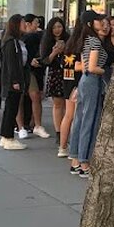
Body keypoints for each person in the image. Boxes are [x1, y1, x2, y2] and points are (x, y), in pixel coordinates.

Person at [68, 11, 109, 179]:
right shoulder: (94, 41)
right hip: (92, 81)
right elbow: (92, 67)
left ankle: (75, 159)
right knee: (90, 121)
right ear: (92, 24)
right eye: (99, 20)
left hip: (85, 81)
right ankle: (85, 162)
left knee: (80, 119)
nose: (102, 23)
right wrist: (107, 71)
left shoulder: (85, 40)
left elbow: (84, 65)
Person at [0, 14, 30, 151]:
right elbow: (11, 63)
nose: (25, 25)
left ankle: (6, 135)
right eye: (23, 22)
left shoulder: (17, 41)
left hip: (17, 78)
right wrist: (15, 80)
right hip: (13, 80)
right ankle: (8, 137)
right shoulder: (11, 43)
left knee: (11, 108)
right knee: (11, 108)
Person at [40, 17, 69, 152]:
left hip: (68, 73)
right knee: (58, 104)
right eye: (55, 27)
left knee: (68, 105)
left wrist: (65, 50)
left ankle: (66, 130)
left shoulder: (69, 39)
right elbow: (45, 60)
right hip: (55, 73)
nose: (58, 30)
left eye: (60, 27)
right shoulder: (47, 41)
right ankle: (58, 132)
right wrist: (54, 52)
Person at [18, 14, 50, 139]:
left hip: (35, 71)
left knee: (35, 95)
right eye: (35, 23)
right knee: (21, 98)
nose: (38, 26)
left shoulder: (39, 36)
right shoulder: (18, 38)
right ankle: (20, 126)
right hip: (23, 71)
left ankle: (35, 124)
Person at [60, 20, 85, 161]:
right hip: (77, 81)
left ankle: (62, 146)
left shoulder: (69, 44)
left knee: (68, 115)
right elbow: (78, 66)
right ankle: (74, 147)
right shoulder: (82, 46)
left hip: (67, 80)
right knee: (76, 116)